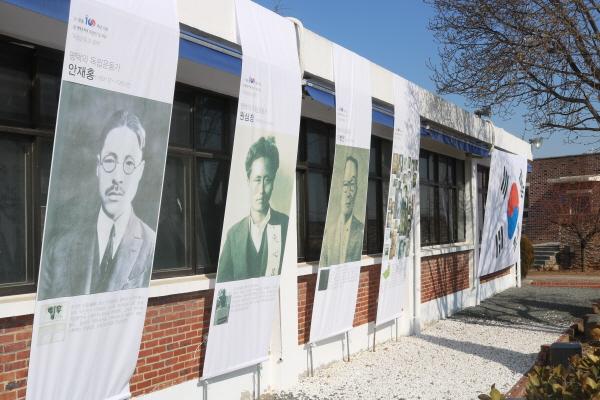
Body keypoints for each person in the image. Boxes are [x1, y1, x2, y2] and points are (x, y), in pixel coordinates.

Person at [39, 110, 155, 300]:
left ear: (140, 171)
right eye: (110, 161)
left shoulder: (151, 246)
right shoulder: (58, 249)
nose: (117, 178)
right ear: (98, 166)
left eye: (129, 164)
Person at [216, 136, 288, 283]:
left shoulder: (286, 225)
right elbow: (223, 283)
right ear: (248, 180)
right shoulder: (233, 235)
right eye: (257, 179)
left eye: (267, 180)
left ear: (274, 181)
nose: (261, 190)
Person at [320, 155, 364, 266]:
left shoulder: (360, 231)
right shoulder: (329, 233)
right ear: (339, 188)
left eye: (352, 184)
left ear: (356, 189)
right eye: (345, 184)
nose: (348, 193)